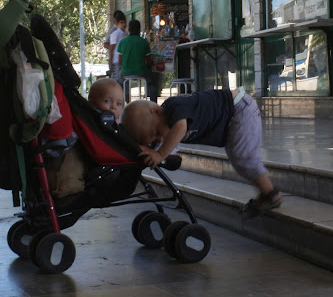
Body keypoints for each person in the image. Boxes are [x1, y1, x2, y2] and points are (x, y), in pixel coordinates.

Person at [121, 87, 282, 218]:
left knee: (243, 157)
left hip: (239, 108)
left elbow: (180, 129)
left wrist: (159, 154)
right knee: (240, 159)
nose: (159, 139)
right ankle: (267, 193)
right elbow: (167, 149)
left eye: (156, 132)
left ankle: (270, 194)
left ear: (155, 111)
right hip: (228, 119)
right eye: (153, 139)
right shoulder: (164, 125)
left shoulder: (174, 107)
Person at [117, 19, 158, 103]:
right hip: (141, 72)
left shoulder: (122, 42)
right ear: (139, 30)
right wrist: (150, 66)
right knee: (153, 81)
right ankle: (153, 104)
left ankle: (121, 104)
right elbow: (149, 61)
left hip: (126, 72)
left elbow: (119, 61)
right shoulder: (144, 42)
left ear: (129, 30)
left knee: (119, 81)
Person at [108, 12, 128, 81]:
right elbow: (111, 50)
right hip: (116, 62)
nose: (124, 24)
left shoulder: (125, 34)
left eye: (125, 22)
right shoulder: (115, 34)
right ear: (117, 23)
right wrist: (110, 65)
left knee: (124, 81)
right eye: (121, 22)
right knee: (117, 82)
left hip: (123, 61)